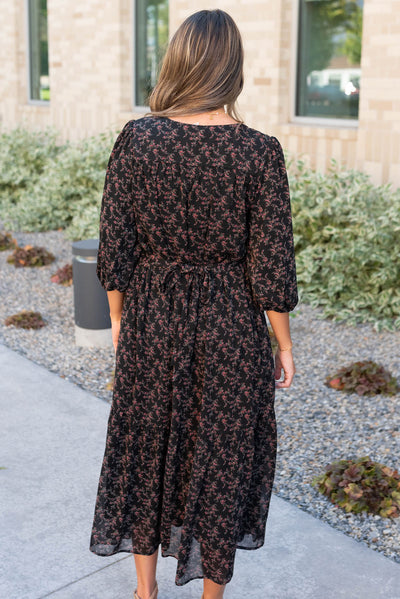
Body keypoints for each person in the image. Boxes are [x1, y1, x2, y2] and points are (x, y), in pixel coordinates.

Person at [89, 8, 298, 599]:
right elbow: (272, 265)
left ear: (179, 60)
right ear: (233, 67)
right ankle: (211, 595)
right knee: (220, 457)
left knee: (146, 446)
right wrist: (283, 345)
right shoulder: (260, 151)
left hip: (153, 316)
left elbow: (116, 243)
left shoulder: (138, 138)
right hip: (231, 324)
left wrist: (118, 321)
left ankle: (145, 590)